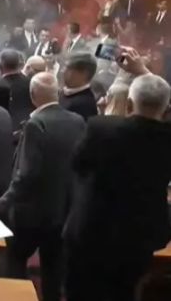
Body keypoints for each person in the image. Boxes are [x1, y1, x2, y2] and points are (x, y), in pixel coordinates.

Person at [64, 50, 171, 301]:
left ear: (130, 104)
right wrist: (143, 72)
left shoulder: (102, 128)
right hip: (140, 236)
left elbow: (77, 163)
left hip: (92, 231)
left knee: (80, 293)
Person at [0, 72, 86, 301]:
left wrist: (1, 204)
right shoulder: (77, 121)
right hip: (63, 208)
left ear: (33, 95)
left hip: (32, 212)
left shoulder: (35, 124)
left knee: (14, 260)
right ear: (58, 93)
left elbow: (26, 175)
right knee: (53, 270)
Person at [0, 49, 33, 132]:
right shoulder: (31, 83)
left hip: (3, 132)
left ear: (0, 66)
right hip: (29, 129)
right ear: (19, 65)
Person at [60, 52, 98, 120]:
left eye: (68, 68)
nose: (62, 71)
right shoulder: (64, 93)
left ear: (84, 73)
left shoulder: (84, 105)